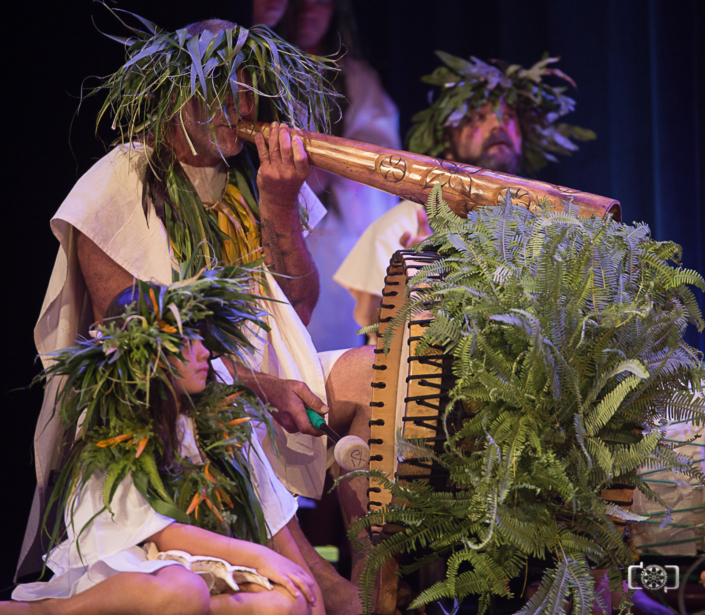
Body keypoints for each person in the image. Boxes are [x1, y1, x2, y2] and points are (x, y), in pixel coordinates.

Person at [20, 13, 373, 615]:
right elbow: (137, 347)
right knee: (222, 407)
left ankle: (375, 577)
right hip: (178, 395)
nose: (246, 101)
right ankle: (328, 587)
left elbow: (300, 309)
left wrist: (279, 200)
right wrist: (259, 388)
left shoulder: (251, 177)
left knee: (375, 373)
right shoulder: (118, 182)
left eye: (251, 85)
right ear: (181, 90)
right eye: (229, 85)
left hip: (269, 374)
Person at [4, 274, 323, 615]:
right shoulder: (119, 428)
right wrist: (259, 556)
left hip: (197, 572)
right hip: (131, 571)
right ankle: (48, 611)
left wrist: (308, 587)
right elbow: (163, 533)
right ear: (149, 356)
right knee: (183, 590)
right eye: (187, 342)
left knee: (286, 601)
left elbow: (273, 518)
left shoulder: (224, 421)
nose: (205, 351)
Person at [334, 53, 595, 333]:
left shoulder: (551, 222)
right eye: (476, 118)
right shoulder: (403, 225)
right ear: (447, 142)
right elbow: (373, 327)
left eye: (508, 117)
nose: (497, 125)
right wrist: (414, 279)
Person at [283, 0, 402, 351]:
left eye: (318, 1)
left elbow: (379, 151)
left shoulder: (355, 80)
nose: (307, 9)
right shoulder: (262, 77)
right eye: (297, 1)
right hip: (275, 226)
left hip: (337, 236)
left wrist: (322, 166)